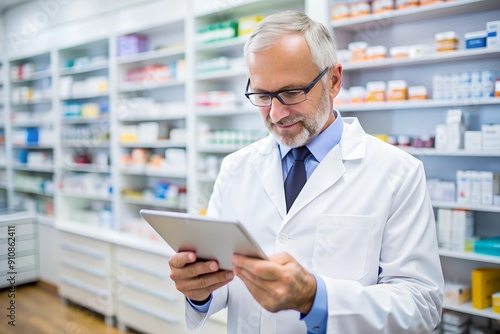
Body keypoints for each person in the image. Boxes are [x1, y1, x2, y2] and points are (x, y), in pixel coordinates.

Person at [169, 10, 444, 334]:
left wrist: (316, 298)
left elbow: (421, 304)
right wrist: (200, 289)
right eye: (261, 95)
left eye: (291, 93)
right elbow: (224, 281)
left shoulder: (398, 173)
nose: (275, 113)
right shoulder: (236, 168)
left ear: (334, 80)